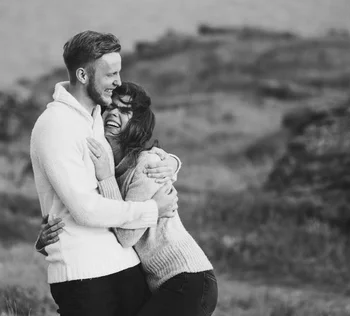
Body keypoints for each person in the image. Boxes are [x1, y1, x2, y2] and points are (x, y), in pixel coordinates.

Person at [30, 31, 182, 316]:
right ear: (83, 75)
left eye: (119, 72)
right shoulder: (55, 125)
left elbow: (136, 154)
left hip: (124, 266)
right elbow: (85, 209)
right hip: (84, 275)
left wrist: (171, 162)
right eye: (110, 74)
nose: (118, 82)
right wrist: (151, 209)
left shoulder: (97, 119)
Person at [36, 81, 218, 316]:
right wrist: (47, 239)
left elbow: (126, 235)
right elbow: (92, 213)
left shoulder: (146, 164)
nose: (113, 114)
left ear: (136, 122)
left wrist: (107, 177)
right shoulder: (108, 165)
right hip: (165, 283)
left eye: (124, 111)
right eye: (110, 108)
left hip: (186, 279)